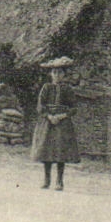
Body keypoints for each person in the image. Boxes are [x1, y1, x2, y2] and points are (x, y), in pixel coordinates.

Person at [31, 58, 80, 190]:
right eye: (54, 72)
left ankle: (59, 181)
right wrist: (49, 116)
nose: (57, 75)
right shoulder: (46, 88)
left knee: (60, 151)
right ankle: (47, 180)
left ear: (64, 75)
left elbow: (74, 108)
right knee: (46, 150)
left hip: (62, 123)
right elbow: (40, 106)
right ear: (51, 74)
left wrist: (62, 116)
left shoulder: (68, 89)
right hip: (47, 122)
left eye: (59, 73)